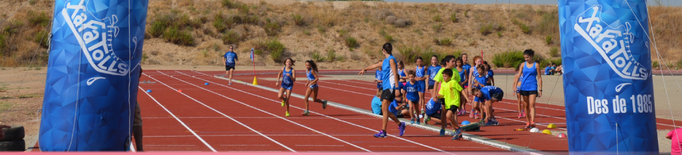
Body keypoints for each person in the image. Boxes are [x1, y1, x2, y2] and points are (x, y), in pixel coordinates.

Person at [358, 43, 406, 138]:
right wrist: (365, 69)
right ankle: (400, 124)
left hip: (391, 87)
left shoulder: (392, 60)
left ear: (383, 50)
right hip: (385, 87)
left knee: (384, 108)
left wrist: (397, 88)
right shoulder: (385, 61)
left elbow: (396, 74)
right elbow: (375, 65)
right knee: (384, 110)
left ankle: (383, 131)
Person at [514, 49, 543, 129]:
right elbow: (519, 75)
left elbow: (539, 77)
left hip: (533, 86)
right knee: (526, 105)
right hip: (524, 87)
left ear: (531, 56)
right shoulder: (523, 65)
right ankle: (528, 121)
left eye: (527, 57)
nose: (526, 59)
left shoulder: (536, 65)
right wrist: (515, 85)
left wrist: (540, 89)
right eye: (525, 58)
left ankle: (533, 121)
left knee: (532, 104)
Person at [438, 69, 470, 140]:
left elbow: (461, 90)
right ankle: (458, 130)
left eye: (445, 76)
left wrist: (467, 98)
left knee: (448, 115)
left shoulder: (454, 82)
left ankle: (457, 128)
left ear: (450, 76)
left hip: (455, 102)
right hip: (447, 103)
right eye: (443, 76)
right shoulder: (443, 84)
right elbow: (441, 94)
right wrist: (438, 96)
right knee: (449, 116)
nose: (444, 78)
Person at [431, 55, 459, 136]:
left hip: (453, 95)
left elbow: (459, 82)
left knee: (454, 113)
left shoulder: (455, 71)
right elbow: (436, 82)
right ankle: (443, 128)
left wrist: (462, 95)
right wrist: (434, 94)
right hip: (443, 95)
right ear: (447, 62)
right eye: (452, 61)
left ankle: (455, 129)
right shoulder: (442, 70)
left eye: (454, 61)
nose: (454, 63)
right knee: (444, 112)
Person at [425, 55, 442, 119]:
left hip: (438, 84)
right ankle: (432, 111)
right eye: (433, 60)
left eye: (435, 60)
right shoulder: (429, 68)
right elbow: (428, 76)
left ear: (437, 60)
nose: (434, 61)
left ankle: (437, 110)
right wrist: (427, 85)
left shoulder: (439, 67)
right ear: (431, 61)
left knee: (438, 97)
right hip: (431, 83)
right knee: (433, 97)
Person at [414, 57, 428, 123]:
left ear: (422, 61)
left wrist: (422, 78)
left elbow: (427, 75)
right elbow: (413, 75)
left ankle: (422, 108)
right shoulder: (416, 67)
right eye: (418, 61)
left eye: (420, 61)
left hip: (422, 83)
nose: (419, 63)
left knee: (422, 96)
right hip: (417, 83)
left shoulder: (424, 67)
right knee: (417, 96)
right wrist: (415, 78)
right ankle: (416, 108)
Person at [133, 68, 144, 151]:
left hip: (130, 97)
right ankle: (140, 149)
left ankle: (140, 149)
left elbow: (139, 71)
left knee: (136, 120)